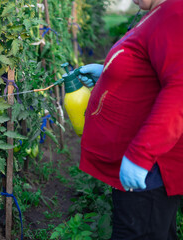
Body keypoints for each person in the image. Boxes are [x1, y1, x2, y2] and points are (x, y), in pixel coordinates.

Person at [76, 0, 183, 239]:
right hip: (146, 170)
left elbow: (180, 88)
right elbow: (153, 65)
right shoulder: (160, 12)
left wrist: (140, 155)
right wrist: (108, 71)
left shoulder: (176, 12)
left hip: (151, 171)